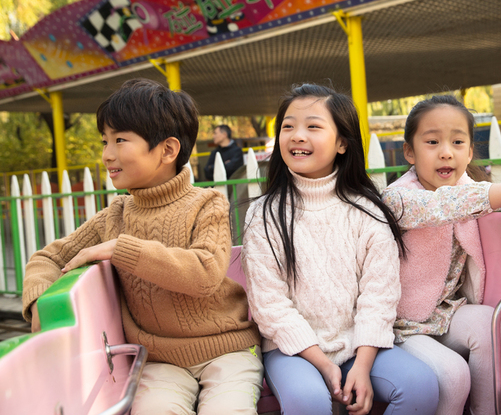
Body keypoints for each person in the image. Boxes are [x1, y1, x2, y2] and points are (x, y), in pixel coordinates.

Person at [21, 78, 262, 415]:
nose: (107, 154)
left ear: (167, 150)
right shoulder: (114, 215)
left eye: (120, 140)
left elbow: (205, 273)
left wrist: (122, 249)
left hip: (227, 349)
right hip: (159, 360)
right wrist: (38, 301)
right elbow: (48, 257)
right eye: (105, 141)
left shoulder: (209, 204)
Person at [242, 84, 439, 415]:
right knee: (309, 401)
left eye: (313, 126)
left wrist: (362, 366)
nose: (297, 135)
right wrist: (322, 363)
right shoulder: (264, 213)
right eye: (288, 126)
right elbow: (270, 306)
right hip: (294, 351)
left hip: (358, 345)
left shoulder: (368, 210)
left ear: (342, 142)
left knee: (420, 386)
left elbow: (379, 295)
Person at [382, 94, 501, 415]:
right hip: (400, 324)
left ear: (470, 151)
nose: (446, 152)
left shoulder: (469, 186)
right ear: (409, 152)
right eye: (432, 142)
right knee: (454, 375)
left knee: (489, 320)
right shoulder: (399, 198)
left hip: (444, 312)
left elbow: (485, 197)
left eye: (458, 142)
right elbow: (453, 203)